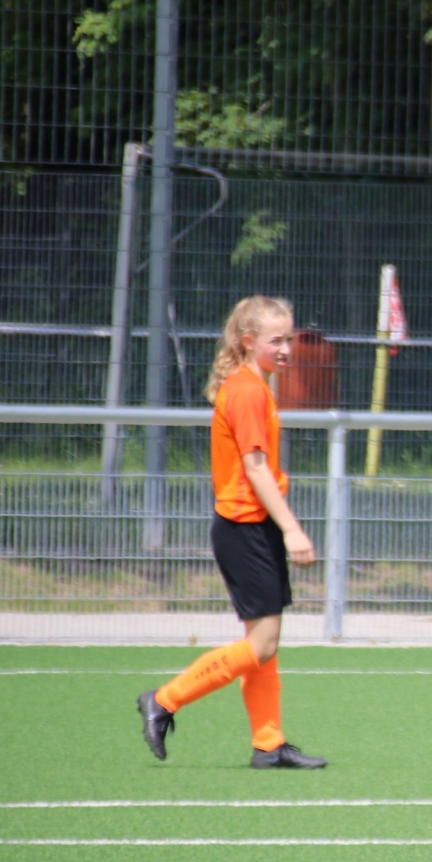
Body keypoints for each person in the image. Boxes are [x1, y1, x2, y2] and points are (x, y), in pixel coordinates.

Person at [136, 296, 325, 770]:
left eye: (289, 338)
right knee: (261, 645)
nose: (287, 348)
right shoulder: (246, 390)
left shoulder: (255, 386)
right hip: (245, 528)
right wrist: (293, 530)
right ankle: (163, 699)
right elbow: (255, 469)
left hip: (252, 526)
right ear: (248, 341)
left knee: (264, 647)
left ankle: (269, 744)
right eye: (276, 340)